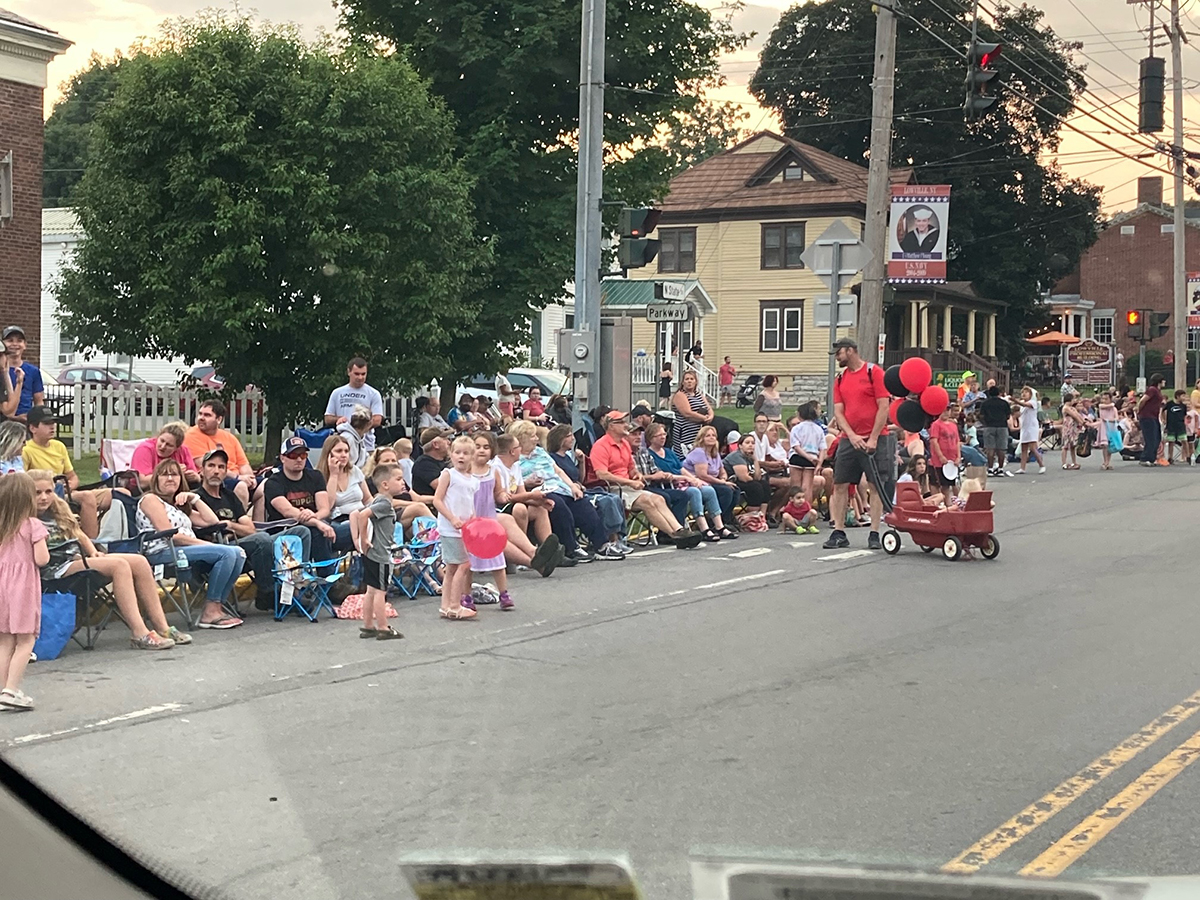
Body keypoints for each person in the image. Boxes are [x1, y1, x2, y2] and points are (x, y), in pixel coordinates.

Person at [30, 469, 183, 648]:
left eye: (48, 492)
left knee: (140, 561)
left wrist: (92, 551)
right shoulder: (24, 517)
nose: (44, 497)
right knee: (119, 565)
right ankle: (139, 633)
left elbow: (78, 534)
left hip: (76, 559)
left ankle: (162, 626)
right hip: (54, 569)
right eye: (37, 493)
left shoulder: (58, 509)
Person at [194, 449, 311, 611]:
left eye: (221, 467)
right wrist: (233, 528)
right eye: (211, 466)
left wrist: (230, 525)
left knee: (301, 532)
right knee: (261, 539)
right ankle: (268, 593)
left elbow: (250, 529)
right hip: (221, 551)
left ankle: (296, 589)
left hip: (245, 544)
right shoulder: (195, 498)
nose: (216, 471)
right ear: (201, 471)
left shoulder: (229, 496)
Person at [136, 459, 247, 629]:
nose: (170, 478)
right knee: (227, 553)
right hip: (163, 553)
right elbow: (171, 535)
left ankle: (215, 606)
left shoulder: (177, 506)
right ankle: (210, 613)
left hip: (184, 551)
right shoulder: (151, 499)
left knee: (238, 553)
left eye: (175, 475)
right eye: (164, 475)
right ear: (156, 479)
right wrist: (205, 545)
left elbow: (212, 521)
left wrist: (194, 498)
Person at [510, 421, 623, 562]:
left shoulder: (539, 452)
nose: (537, 439)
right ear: (522, 438)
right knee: (558, 505)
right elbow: (513, 483)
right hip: (538, 490)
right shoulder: (514, 459)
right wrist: (527, 483)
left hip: (560, 487)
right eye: (533, 436)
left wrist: (572, 486)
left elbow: (558, 470)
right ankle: (571, 547)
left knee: (583, 504)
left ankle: (601, 544)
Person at [591, 411, 702, 549]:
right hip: (612, 488)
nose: (626, 424)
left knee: (658, 499)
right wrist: (630, 482)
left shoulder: (624, 444)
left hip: (629, 487)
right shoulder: (601, 446)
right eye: (622, 422)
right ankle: (675, 535)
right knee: (647, 501)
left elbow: (631, 467)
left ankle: (679, 531)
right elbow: (602, 475)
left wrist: (636, 474)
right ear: (612, 426)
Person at [822, 338, 892, 551]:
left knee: (875, 485)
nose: (837, 357)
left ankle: (874, 532)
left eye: (839, 353)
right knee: (841, 483)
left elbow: (883, 406)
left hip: (877, 438)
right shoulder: (840, 378)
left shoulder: (874, 372)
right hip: (848, 439)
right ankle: (839, 531)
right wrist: (851, 435)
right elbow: (839, 411)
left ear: (850, 351)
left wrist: (872, 437)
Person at [0, 472, 49, 709]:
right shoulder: (32, 525)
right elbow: (41, 559)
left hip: (1, 587)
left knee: (5, 641)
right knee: (26, 640)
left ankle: (2, 689)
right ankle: (12, 690)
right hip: (23, 587)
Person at [22, 407, 108, 538]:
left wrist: (67, 487)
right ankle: (91, 544)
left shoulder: (59, 446)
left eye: (53, 423)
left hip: (66, 491)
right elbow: (24, 483)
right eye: (46, 424)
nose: (52, 427)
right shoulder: (26, 450)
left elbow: (73, 477)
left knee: (121, 494)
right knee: (87, 497)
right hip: (45, 495)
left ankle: (115, 537)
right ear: (33, 428)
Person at [547, 425, 632, 553]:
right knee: (606, 502)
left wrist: (581, 463)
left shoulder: (568, 457)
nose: (573, 438)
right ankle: (611, 540)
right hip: (568, 493)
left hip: (580, 489)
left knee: (614, 498)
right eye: (569, 435)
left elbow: (580, 479)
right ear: (560, 439)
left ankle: (619, 537)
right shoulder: (552, 459)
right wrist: (574, 485)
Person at [645, 422, 735, 541]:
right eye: (659, 435)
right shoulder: (649, 454)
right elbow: (664, 475)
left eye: (664, 434)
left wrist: (693, 479)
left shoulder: (668, 452)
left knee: (708, 490)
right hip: (669, 484)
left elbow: (681, 468)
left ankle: (719, 526)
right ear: (651, 438)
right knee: (694, 492)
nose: (663, 437)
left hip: (683, 481)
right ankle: (703, 528)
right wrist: (687, 479)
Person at [351, 462, 404, 639]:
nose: (403, 482)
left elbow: (358, 514)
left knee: (371, 590)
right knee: (380, 591)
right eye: (398, 479)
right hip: (380, 553)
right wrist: (364, 538)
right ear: (385, 484)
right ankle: (383, 626)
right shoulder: (384, 504)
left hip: (372, 553)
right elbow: (362, 515)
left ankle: (367, 625)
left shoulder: (379, 500)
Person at [263, 437, 338, 563]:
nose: (299, 459)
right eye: (293, 455)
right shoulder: (273, 482)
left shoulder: (315, 476)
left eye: (303, 455)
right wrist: (317, 522)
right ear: (282, 458)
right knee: (315, 531)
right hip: (285, 530)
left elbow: (325, 509)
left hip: (316, 526)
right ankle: (325, 576)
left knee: (349, 528)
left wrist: (313, 515)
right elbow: (288, 511)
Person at [431, 436, 480, 620]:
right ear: (451, 454)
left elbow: (470, 505)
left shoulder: (473, 480)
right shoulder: (448, 474)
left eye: (466, 453)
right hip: (450, 528)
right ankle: (454, 604)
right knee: (463, 564)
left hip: (465, 529)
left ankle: (446, 606)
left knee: (452, 567)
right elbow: (437, 500)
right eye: (457, 452)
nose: (461, 457)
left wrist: (474, 522)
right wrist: (452, 518)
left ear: (472, 456)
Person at [465, 435, 515, 611]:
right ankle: (466, 596)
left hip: (489, 523)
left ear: (492, 451)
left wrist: (503, 496)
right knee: (467, 563)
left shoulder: (493, 471)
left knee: (497, 560)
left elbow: (498, 492)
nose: (481, 450)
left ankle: (504, 594)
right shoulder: (466, 471)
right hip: (470, 523)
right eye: (477, 446)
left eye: (485, 447)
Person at [183, 399, 257, 508]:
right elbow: (204, 464)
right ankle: (239, 522)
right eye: (200, 414)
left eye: (207, 415)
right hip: (214, 479)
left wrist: (250, 478)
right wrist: (238, 478)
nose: (201, 418)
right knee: (241, 486)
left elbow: (243, 464)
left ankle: (259, 523)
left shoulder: (229, 437)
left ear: (219, 419)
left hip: (237, 478)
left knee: (266, 486)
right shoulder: (191, 435)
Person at [317, 433, 369, 552]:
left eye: (346, 451)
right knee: (371, 527)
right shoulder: (319, 476)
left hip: (363, 515)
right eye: (339, 451)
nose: (344, 455)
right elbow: (328, 506)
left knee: (386, 522)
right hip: (339, 522)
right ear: (328, 454)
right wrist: (334, 474)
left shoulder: (354, 470)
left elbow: (367, 499)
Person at [324, 357, 383, 453]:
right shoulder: (337, 393)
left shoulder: (373, 393)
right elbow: (327, 418)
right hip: (342, 445)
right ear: (349, 372)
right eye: (357, 374)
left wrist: (360, 427)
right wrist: (339, 419)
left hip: (366, 446)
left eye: (363, 374)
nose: (360, 377)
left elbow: (377, 420)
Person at [683, 425, 739, 525]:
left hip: (712, 481)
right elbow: (702, 475)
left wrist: (724, 478)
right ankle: (713, 521)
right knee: (726, 491)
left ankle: (725, 518)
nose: (711, 437)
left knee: (735, 490)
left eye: (713, 435)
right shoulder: (699, 452)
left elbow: (722, 470)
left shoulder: (714, 452)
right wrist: (722, 482)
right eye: (708, 435)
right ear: (701, 438)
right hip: (697, 482)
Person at [131, 422, 200, 488]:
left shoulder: (183, 450)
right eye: (162, 440)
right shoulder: (145, 449)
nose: (163, 446)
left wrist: (195, 477)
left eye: (169, 445)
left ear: (177, 448)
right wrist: (172, 471)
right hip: (146, 490)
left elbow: (195, 475)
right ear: (158, 437)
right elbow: (143, 483)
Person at [724, 433, 771, 520]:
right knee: (755, 487)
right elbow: (744, 478)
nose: (750, 445)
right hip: (731, 481)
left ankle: (762, 517)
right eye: (747, 443)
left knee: (764, 484)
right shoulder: (736, 456)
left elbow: (758, 477)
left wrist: (755, 460)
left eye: (753, 443)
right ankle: (752, 518)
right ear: (740, 445)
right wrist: (755, 480)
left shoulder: (749, 457)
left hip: (742, 481)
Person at [788, 400, 828, 505]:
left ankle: (795, 512)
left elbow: (796, 447)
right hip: (812, 458)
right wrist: (819, 463)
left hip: (797, 457)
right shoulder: (818, 429)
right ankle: (806, 511)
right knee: (807, 487)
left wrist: (806, 456)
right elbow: (823, 448)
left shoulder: (797, 428)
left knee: (795, 487)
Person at [2, 325, 44, 423]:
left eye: (19, 341)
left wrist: (38, 419)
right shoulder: (1, 371)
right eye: (10, 340)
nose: (15, 344)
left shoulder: (33, 371)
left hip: (26, 422)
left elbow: (39, 401)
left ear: (25, 345)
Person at [927, 404, 961, 507]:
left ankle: (951, 504)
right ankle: (940, 505)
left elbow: (957, 442)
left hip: (952, 459)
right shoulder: (936, 425)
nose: (946, 413)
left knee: (950, 484)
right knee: (938, 483)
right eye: (944, 411)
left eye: (947, 411)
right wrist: (940, 456)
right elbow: (934, 441)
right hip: (939, 460)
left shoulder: (953, 426)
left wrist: (958, 456)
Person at [671, 369, 713, 453]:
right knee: (686, 454)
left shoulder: (699, 395)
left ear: (696, 382)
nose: (689, 381)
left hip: (698, 430)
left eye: (692, 379)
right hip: (684, 430)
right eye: (687, 379)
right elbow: (687, 413)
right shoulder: (680, 395)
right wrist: (704, 418)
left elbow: (709, 409)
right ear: (682, 382)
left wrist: (710, 416)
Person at [410, 429, 450, 499]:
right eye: (445, 439)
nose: (449, 442)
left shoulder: (446, 462)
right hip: (430, 507)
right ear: (435, 444)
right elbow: (440, 486)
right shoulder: (423, 463)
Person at [1137, 374, 1166, 467]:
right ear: (1159, 381)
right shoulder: (1152, 389)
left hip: (1154, 416)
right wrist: (1139, 410)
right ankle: (1145, 458)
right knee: (1150, 438)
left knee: (1157, 438)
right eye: (1163, 380)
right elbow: (1143, 400)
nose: (1164, 382)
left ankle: (1152, 458)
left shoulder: (1158, 391)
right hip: (1147, 416)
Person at [1015, 386, 1044, 475]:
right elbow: (1020, 413)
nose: (1023, 394)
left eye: (1026, 392)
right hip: (1024, 427)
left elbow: (1024, 405)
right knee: (1024, 447)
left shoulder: (1033, 402)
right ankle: (1022, 468)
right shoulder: (1022, 404)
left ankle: (1041, 465)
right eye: (1022, 393)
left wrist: (1014, 400)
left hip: (1032, 427)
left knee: (1033, 448)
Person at [1164, 389, 1189, 464]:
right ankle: (1170, 457)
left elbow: (1184, 415)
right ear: (1177, 396)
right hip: (1171, 425)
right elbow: (1162, 410)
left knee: (1184, 440)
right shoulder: (1170, 404)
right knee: (1171, 441)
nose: (1184, 397)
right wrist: (1163, 419)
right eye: (1183, 396)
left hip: (1180, 425)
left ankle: (1188, 456)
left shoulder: (1183, 406)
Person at [1097, 391, 1119, 471]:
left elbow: (1116, 418)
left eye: (1106, 399)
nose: (1104, 400)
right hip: (1104, 427)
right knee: (1105, 445)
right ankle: (1105, 461)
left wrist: (1110, 420)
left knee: (1110, 446)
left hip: (1111, 427)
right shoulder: (1101, 406)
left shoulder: (1114, 409)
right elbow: (1110, 405)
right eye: (1103, 399)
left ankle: (1108, 462)